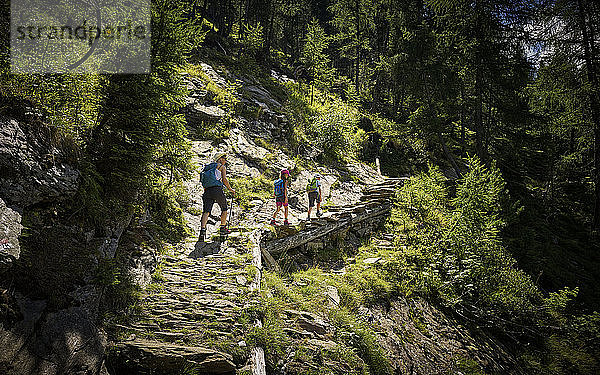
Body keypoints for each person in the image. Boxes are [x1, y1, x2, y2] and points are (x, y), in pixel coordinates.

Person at [199, 154, 235, 242]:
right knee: (224, 208)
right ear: (220, 159)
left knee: (206, 211)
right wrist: (230, 189)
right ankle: (223, 229)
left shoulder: (207, 167)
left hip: (207, 190)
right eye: (224, 159)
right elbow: (224, 179)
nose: (225, 161)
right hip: (217, 189)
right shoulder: (221, 167)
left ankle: (202, 231)